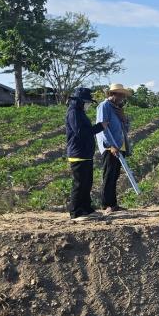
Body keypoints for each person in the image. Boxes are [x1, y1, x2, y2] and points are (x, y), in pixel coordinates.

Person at [64, 86, 105, 221]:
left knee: (87, 182)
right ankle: (76, 212)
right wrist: (99, 127)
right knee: (80, 183)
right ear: (79, 101)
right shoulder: (73, 112)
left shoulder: (80, 112)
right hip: (78, 153)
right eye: (86, 102)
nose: (87, 104)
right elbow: (81, 132)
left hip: (85, 153)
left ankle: (86, 209)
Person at [95, 83, 133, 213]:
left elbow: (125, 128)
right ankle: (106, 205)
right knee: (109, 175)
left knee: (115, 175)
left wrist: (124, 119)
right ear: (112, 94)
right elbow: (102, 127)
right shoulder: (104, 106)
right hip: (110, 147)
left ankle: (113, 204)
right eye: (120, 94)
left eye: (123, 95)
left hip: (119, 145)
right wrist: (110, 145)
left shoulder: (117, 108)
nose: (122, 97)